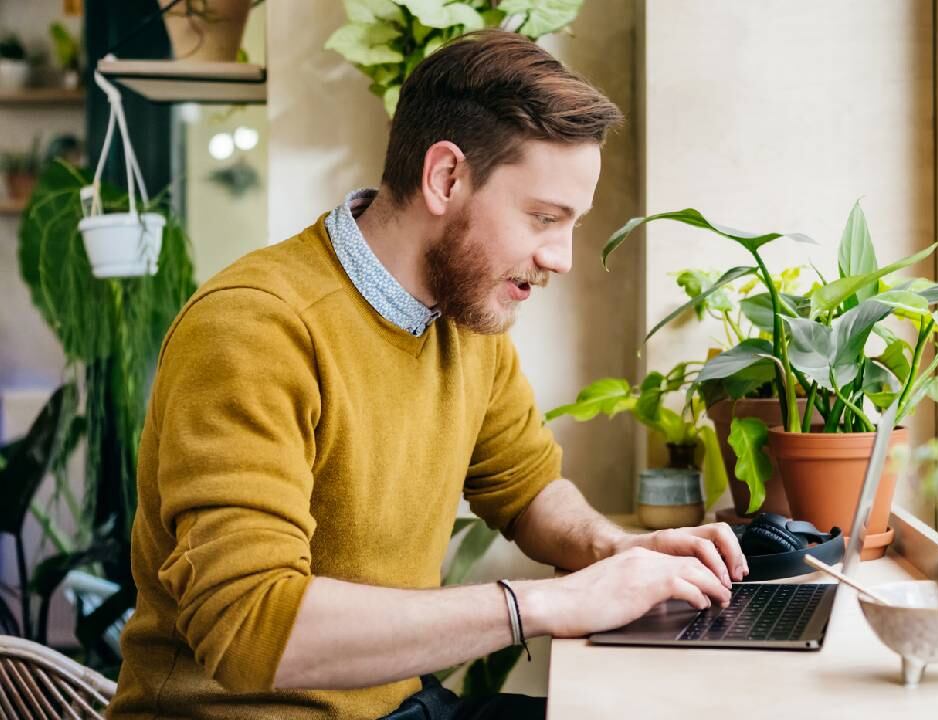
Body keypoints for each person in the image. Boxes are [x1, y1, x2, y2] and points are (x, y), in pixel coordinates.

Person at [107, 30, 746, 720]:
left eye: (573, 225)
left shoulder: (468, 315)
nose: (561, 257)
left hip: (399, 708)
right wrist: (551, 603)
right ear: (445, 177)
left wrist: (618, 549)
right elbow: (252, 629)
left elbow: (526, 488)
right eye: (543, 217)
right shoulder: (256, 329)